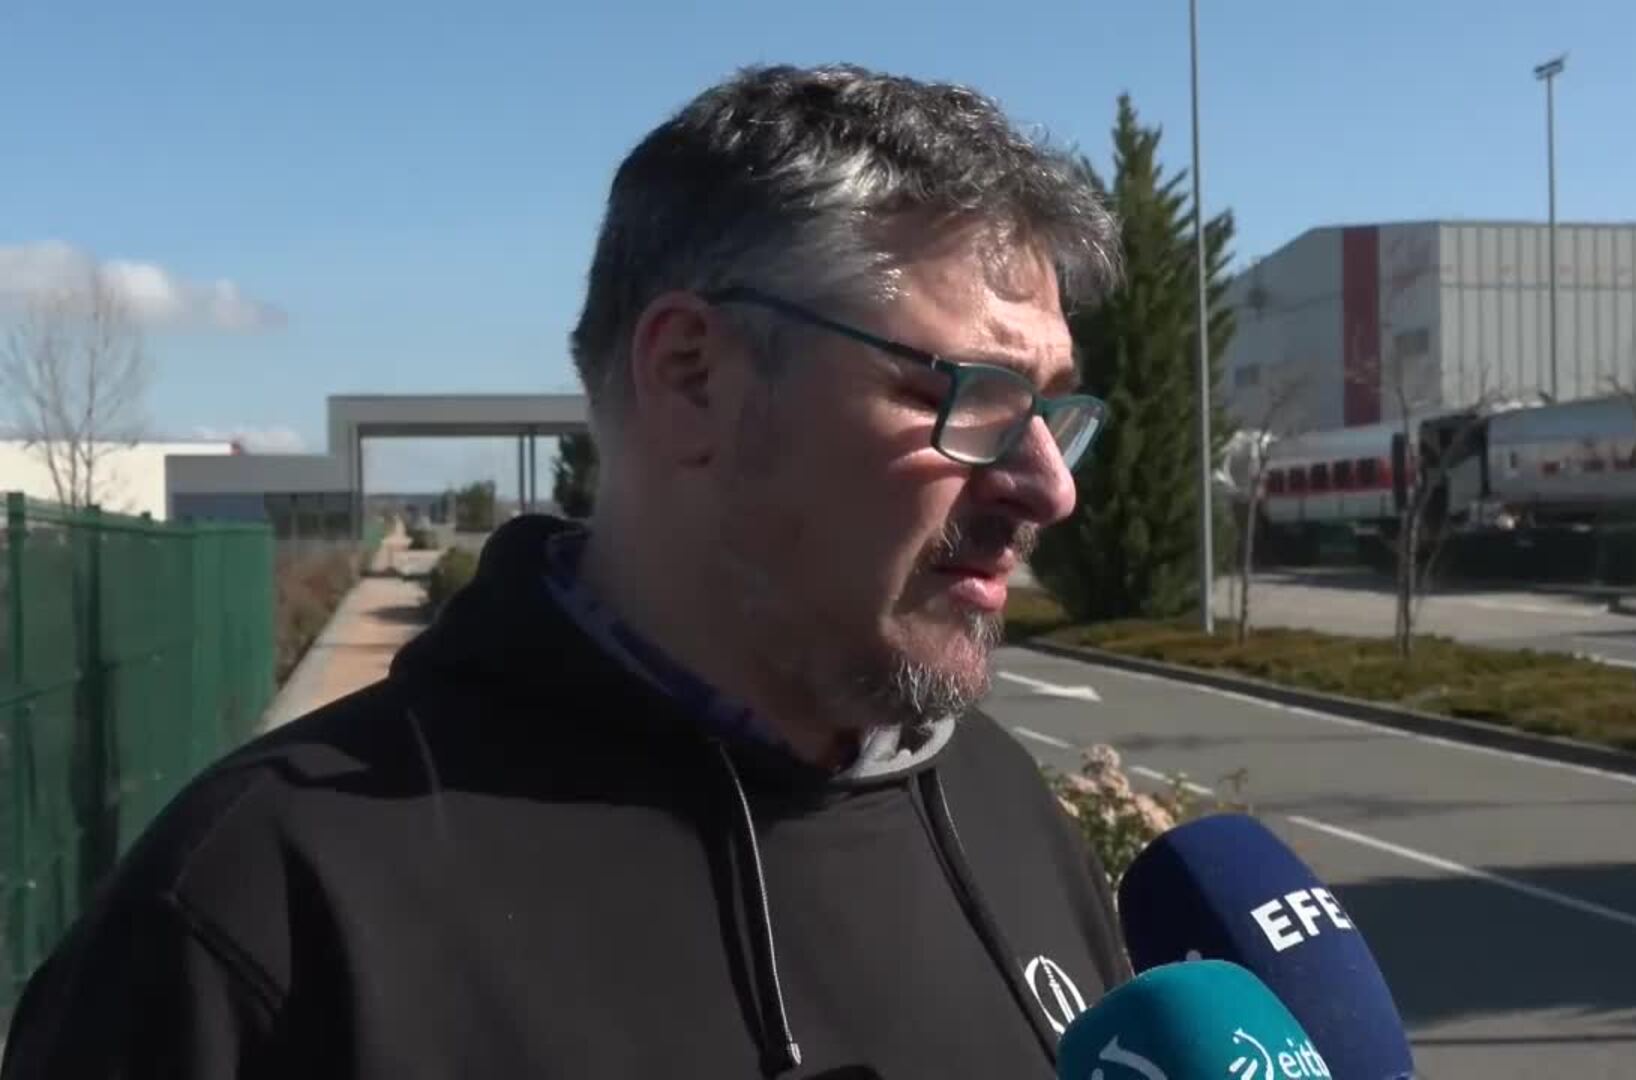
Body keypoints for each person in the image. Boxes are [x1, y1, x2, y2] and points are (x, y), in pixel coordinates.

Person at [0, 63, 1130, 1079]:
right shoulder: (263, 917)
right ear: (691, 376)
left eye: (1051, 410)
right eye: (973, 398)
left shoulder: (1001, 806)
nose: (1048, 487)